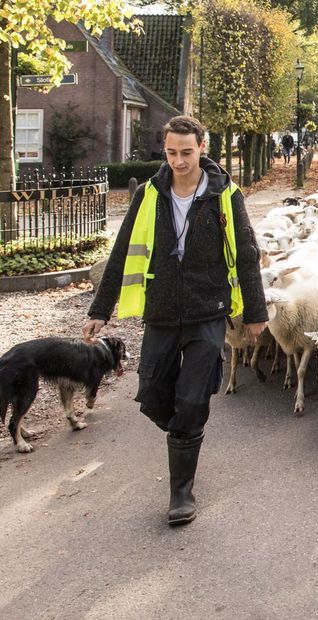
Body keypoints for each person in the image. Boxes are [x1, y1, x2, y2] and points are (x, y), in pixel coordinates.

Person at [83, 115, 267, 526]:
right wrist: (100, 308)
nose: (179, 161)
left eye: (186, 152)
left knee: (191, 400)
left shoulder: (225, 195)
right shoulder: (149, 194)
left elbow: (247, 252)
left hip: (208, 311)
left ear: (202, 147)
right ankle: (185, 431)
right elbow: (122, 249)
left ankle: (181, 491)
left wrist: (255, 313)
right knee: (151, 394)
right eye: (171, 152)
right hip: (161, 312)